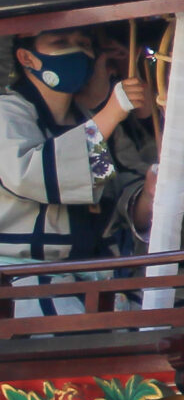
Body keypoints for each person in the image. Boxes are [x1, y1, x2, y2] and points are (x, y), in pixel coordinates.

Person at [1, 28, 153, 311]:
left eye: (83, 44)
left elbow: (120, 196)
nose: (76, 52)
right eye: (61, 42)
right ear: (27, 57)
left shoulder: (91, 122)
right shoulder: (5, 114)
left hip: (94, 285)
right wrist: (112, 112)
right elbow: (32, 175)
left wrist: (148, 195)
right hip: (20, 288)